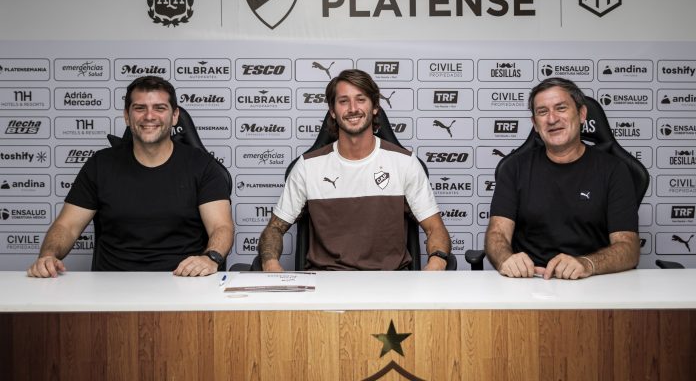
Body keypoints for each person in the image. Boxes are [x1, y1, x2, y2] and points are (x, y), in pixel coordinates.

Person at [27, 76, 234, 277]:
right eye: (140, 108)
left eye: (160, 108)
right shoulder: (100, 164)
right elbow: (67, 226)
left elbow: (221, 227)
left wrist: (210, 258)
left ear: (174, 116)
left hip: (182, 280)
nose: (149, 116)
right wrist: (48, 256)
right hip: (112, 286)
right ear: (127, 116)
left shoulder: (202, 165)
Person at [258, 69, 451, 271]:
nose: (352, 108)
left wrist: (436, 263)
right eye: (343, 101)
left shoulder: (405, 163)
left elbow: (435, 228)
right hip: (327, 281)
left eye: (361, 99)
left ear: (375, 107)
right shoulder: (307, 166)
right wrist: (271, 264)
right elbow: (274, 229)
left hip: (391, 281)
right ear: (332, 111)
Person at [485, 77, 640, 280]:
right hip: (530, 280)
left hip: (592, 280)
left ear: (582, 114)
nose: (552, 119)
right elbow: (497, 235)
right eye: (542, 112)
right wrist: (506, 259)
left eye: (561, 108)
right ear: (535, 123)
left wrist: (587, 264)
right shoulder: (514, 168)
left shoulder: (614, 169)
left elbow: (628, 248)